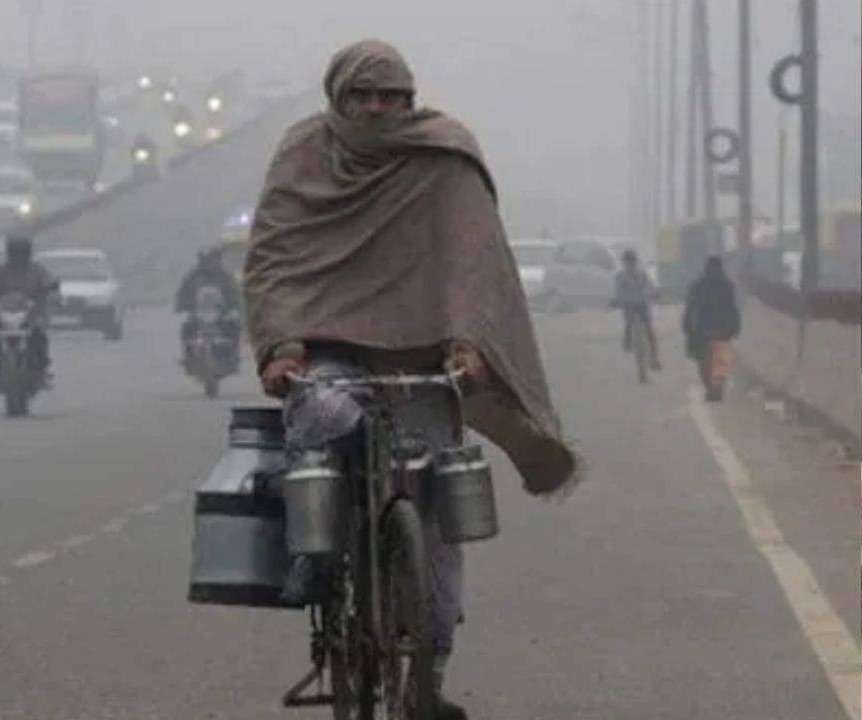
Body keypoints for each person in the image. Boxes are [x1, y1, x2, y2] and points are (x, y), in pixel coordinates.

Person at [244, 40, 579, 718]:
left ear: (411, 99)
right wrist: (281, 347)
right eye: (362, 96)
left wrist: (469, 343)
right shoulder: (303, 152)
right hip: (329, 351)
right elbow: (275, 256)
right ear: (337, 98)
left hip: (421, 359)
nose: (377, 108)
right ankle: (319, 559)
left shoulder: (443, 154)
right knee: (327, 419)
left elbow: (472, 261)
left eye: (391, 96)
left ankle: (431, 667)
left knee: (436, 511)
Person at [0, 233, 58, 383]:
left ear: (28, 253)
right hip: (7, 311)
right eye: (15, 253)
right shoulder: (2, 271)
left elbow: (49, 282)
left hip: (31, 312)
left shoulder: (37, 270)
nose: (18, 257)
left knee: (39, 333)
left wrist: (50, 291)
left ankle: (44, 364)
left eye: (21, 253)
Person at [682, 256, 740, 396]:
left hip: (709, 329)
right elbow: (733, 309)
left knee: (709, 361)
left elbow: (690, 307)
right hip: (714, 329)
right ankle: (714, 388)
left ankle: (713, 388)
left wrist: (687, 324)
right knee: (714, 361)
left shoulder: (700, 285)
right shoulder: (726, 286)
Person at [175, 248, 242, 351]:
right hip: (198, 314)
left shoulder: (225, 276)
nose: (211, 263)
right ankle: (188, 353)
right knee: (188, 327)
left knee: (233, 326)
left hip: (221, 314)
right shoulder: (193, 276)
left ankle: (233, 353)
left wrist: (234, 303)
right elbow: (184, 291)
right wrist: (182, 304)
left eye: (214, 259)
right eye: (208, 259)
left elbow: (234, 292)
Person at [611, 249, 662, 370]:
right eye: (627, 262)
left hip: (642, 305)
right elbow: (617, 292)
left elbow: (651, 286)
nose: (630, 265)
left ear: (635, 262)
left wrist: (655, 293)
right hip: (629, 306)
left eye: (632, 262)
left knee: (649, 332)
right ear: (624, 263)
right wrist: (616, 301)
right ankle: (627, 341)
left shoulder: (642, 275)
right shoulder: (620, 277)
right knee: (628, 325)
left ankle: (654, 359)